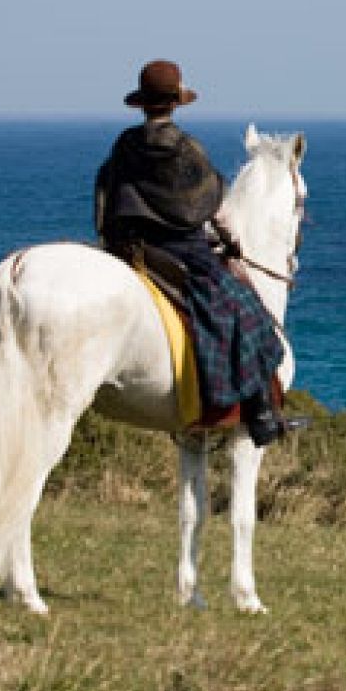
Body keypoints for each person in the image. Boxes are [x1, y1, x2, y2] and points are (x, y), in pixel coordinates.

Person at [94, 59, 292, 445]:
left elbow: (105, 192)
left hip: (130, 247)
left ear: (143, 104)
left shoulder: (125, 144)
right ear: (175, 103)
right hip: (179, 250)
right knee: (245, 309)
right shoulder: (186, 149)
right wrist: (232, 242)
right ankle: (260, 413)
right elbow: (212, 203)